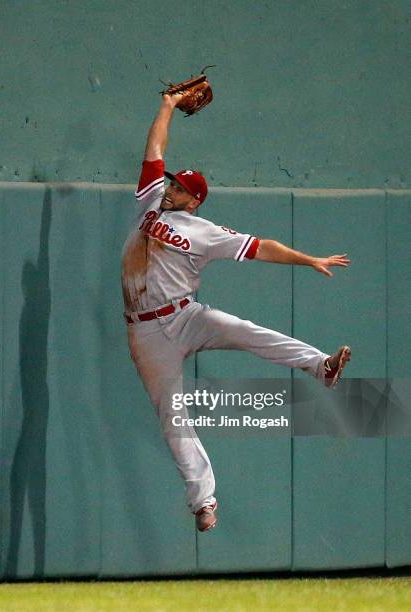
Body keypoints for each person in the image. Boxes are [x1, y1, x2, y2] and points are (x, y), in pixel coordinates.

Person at [121, 93, 351, 532]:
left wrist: (310, 260)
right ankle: (204, 502)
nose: (170, 189)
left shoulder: (204, 232)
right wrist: (168, 106)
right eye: (172, 184)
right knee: (173, 415)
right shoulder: (150, 200)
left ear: (194, 201)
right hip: (146, 332)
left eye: (180, 188)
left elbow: (261, 246)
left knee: (246, 330)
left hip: (186, 317)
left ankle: (321, 365)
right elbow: (155, 151)